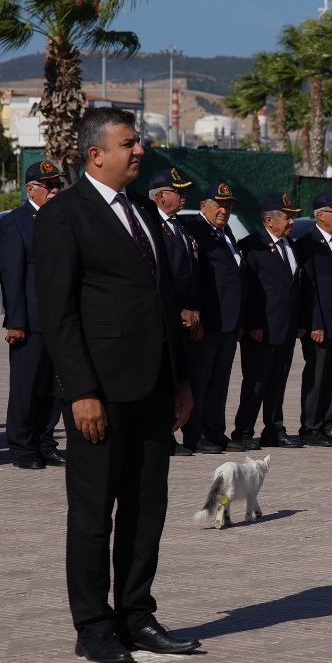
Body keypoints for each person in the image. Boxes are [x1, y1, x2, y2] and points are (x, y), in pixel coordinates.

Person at [33, 106, 198, 663]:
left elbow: (163, 302)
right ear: (95, 154)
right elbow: (58, 314)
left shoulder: (144, 214)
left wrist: (181, 380)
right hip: (99, 391)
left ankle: (135, 613)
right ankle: (94, 625)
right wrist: (81, 391)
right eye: (129, 143)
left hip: (153, 387)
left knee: (146, 507)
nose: (140, 151)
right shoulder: (65, 215)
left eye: (139, 142)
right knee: (92, 513)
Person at [0, 159, 66, 470]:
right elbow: (11, 276)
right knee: (26, 386)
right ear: (31, 189)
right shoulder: (17, 221)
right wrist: (16, 322)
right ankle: (22, 445)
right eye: (48, 185)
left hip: (61, 319)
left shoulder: (65, 219)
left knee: (54, 388)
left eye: (58, 185)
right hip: (32, 320)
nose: (55, 190)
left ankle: (45, 441)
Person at [234, 193, 305, 449]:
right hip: (262, 329)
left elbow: (294, 288)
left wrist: (298, 321)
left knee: (278, 382)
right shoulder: (252, 245)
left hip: (285, 328)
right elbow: (249, 289)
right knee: (256, 383)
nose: (292, 222)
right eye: (287, 217)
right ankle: (243, 431)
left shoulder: (290, 245)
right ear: (269, 220)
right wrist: (253, 323)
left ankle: (274, 429)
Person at [180, 183, 244, 453]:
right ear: (204, 205)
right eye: (219, 204)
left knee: (220, 380)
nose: (224, 210)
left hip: (227, 322)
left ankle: (216, 431)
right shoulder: (195, 231)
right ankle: (195, 434)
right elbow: (194, 279)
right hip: (207, 322)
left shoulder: (224, 232)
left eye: (228, 206)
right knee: (201, 380)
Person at [147, 166, 202, 454]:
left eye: (183, 191)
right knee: (164, 380)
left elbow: (191, 274)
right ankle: (162, 436)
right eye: (177, 191)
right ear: (159, 196)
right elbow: (155, 276)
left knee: (180, 378)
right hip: (162, 318)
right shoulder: (151, 228)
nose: (183, 196)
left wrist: (194, 310)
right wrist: (176, 310)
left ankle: (172, 434)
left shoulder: (180, 227)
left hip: (184, 319)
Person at [295, 189, 332, 446]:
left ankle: (329, 423)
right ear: (320, 215)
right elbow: (310, 288)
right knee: (317, 376)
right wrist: (315, 322)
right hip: (320, 323)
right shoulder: (307, 244)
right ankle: (310, 426)